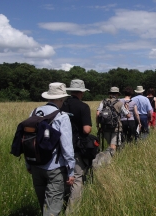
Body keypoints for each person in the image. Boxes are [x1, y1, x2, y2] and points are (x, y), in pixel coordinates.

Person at [26, 82, 75, 216]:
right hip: (55, 168)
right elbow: (67, 147)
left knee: (43, 206)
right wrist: (71, 170)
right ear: (61, 98)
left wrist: (28, 163)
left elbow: (29, 139)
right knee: (52, 209)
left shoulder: (35, 112)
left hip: (36, 165)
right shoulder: (62, 116)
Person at [60, 79, 92, 214]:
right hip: (75, 146)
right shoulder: (83, 107)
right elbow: (86, 130)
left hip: (59, 146)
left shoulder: (61, 105)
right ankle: (71, 211)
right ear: (82, 92)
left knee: (64, 176)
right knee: (77, 177)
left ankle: (62, 204)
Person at [96, 87, 130, 154]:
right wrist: (127, 108)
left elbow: (97, 113)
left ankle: (108, 159)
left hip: (105, 127)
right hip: (116, 128)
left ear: (109, 93)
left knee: (110, 144)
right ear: (117, 94)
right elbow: (128, 115)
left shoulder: (103, 101)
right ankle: (111, 162)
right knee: (113, 146)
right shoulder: (119, 103)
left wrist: (98, 125)